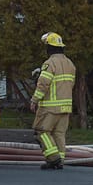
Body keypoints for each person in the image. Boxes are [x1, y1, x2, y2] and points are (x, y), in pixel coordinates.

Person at [29, 31, 76, 170]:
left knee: (41, 131)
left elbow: (43, 84)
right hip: (66, 106)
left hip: (50, 107)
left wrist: (34, 100)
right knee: (59, 134)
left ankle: (53, 158)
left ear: (49, 47)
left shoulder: (49, 64)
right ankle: (60, 160)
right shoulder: (70, 64)